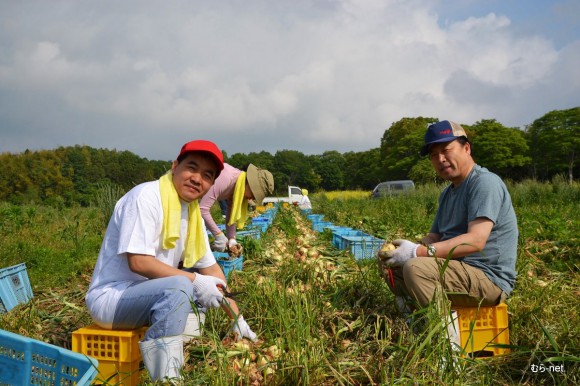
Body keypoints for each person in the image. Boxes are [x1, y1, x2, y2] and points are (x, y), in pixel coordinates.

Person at [85, 140, 258, 382]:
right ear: (175, 166)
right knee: (182, 285)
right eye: (192, 168)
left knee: (194, 283)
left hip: (146, 293)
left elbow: (214, 271)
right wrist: (196, 281)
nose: (197, 179)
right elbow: (139, 263)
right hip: (112, 298)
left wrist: (237, 319)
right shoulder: (146, 197)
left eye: (207, 175)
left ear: (211, 184)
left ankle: (183, 353)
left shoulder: (191, 213)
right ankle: (167, 379)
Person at [381, 120, 518, 314]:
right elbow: (435, 237)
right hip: (457, 269)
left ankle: (443, 336)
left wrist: (417, 253)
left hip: (488, 278)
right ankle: (412, 316)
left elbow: (476, 241)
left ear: (467, 148)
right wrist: (406, 249)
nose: (441, 159)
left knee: (415, 268)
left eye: (446, 150)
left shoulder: (484, 183)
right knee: (392, 266)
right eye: (434, 155)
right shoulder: (447, 193)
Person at [200, 163, 274, 252]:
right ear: (250, 184)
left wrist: (232, 239)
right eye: (254, 195)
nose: (252, 199)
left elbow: (232, 216)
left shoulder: (238, 188)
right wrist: (218, 234)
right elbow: (202, 209)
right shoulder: (226, 178)